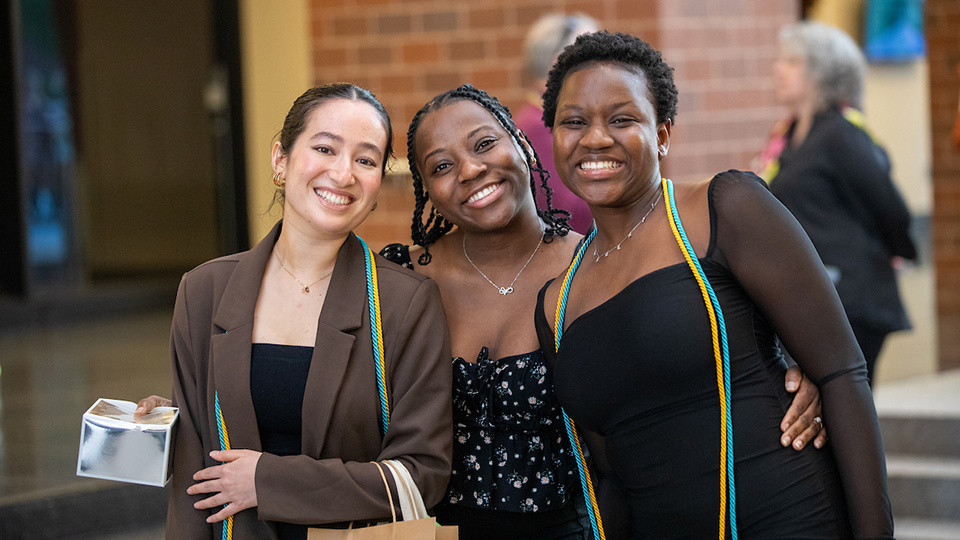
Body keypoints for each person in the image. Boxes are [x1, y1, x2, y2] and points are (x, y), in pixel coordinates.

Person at [140, 84, 826, 539]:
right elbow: (309, 397)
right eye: (439, 165)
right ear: (426, 192)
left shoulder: (597, 268)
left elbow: (682, 342)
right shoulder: (403, 282)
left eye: (483, 145)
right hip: (446, 529)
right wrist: (171, 418)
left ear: (523, 144)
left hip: (588, 524)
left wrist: (794, 363)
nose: (468, 171)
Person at [534, 31, 893, 538]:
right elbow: (608, 477)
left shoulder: (724, 208)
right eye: (574, 122)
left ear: (662, 133)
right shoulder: (556, 301)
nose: (596, 138)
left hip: (787, 518)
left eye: (622, 119)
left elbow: (841, 374)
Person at [161, 83, 453, 540]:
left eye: (366, 159)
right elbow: (194, 482)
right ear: (281, 160)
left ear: (378, 183)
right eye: (324, 148)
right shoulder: (204, 291)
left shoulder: (404, 303)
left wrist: (268, 480)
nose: (343, 173)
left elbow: (423, 476)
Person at [756, 21, 917, 386]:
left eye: (792, 62)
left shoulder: (841, 133)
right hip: (812, 299)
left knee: (843, 416)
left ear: (823, 73)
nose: (777, 69)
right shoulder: (791, 135)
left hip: (851, 299)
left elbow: (891, 209)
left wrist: (898, 254)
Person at [516, 13, 599, 234]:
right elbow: (565, 211)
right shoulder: (537, 126)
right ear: (557, 60)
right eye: (589, 56)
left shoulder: (553, 118)